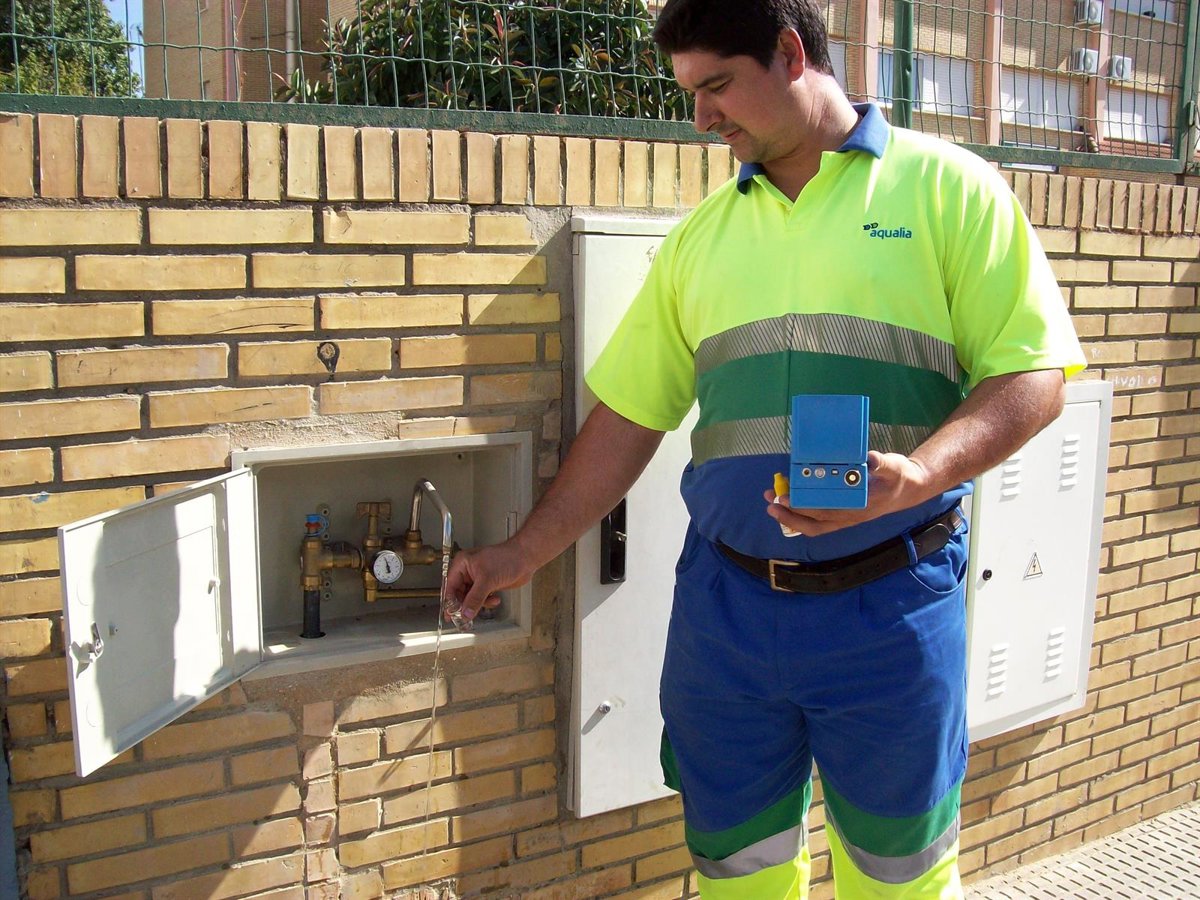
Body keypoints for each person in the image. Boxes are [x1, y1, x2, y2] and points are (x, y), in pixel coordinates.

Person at [446, 0, 1086, 896]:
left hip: (892, 607)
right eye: (690, 92)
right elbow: (627, 420)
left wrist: (923, 474)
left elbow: (1033, 376)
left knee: (898, 875)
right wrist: (522, 552)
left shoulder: (950, 191)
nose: (700, 116)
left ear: (790, 53)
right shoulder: (700, 240)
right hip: (727, 614)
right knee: (735, 869)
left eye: (716, 86)